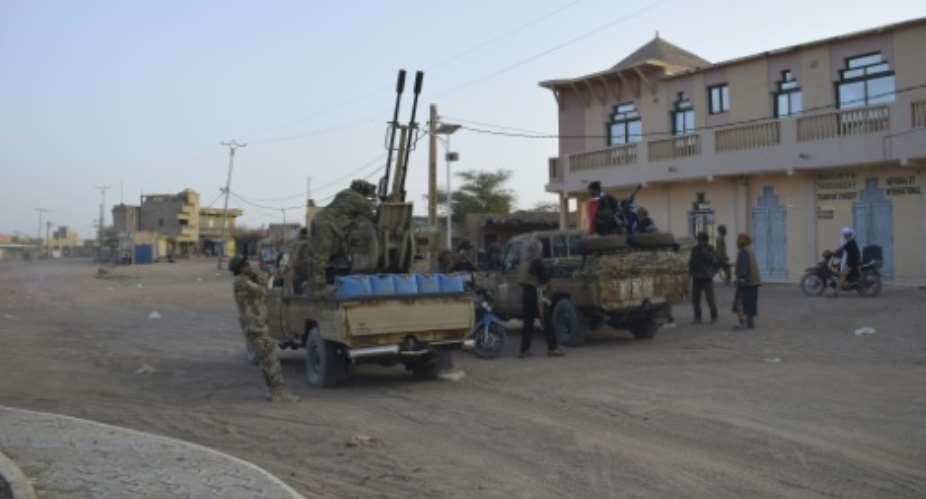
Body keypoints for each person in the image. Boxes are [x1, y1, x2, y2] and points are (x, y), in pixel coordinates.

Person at [230, 255, 299, 402]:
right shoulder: (241, 283)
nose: (250, 266)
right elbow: (264, 290)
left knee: (267, 361)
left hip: (258, 326)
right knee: (271, 360)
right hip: (255, 327)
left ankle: (275, 392)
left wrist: (277, 271)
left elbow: (267, 280)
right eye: (247, 264)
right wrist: (263, 274)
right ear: (241, 268)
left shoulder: (246, 280)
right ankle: (281, 393)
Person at [307, 180, 377, 293]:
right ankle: (319, 288)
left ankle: (312, 285)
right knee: (321, 258)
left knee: (315, 256)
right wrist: (374, 204)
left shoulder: (344, 193)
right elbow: (373, 217)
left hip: (319, 220)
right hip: (327, 225)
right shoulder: (360, 201)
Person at [517, 240, 565, 359]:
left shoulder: (525, 262)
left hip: (526, 294)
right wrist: (552, 270)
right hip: (536, 295)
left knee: (528, 324)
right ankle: (552, 348)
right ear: (538, 250)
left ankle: (524, 350)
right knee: (547, 321)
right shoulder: (537, 262)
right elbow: (544, 279)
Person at [689, 232, 719, 324]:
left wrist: (704, 250)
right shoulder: (694, 249)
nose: (699, 242)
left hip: (707, 278)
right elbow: (691, 262)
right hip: (697, 277)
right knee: (695, 300)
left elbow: (713, 261)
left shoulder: (710, 248)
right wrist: (691, 274)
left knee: (710, 299)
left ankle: (714, 317)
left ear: (705, 240)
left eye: (700, 240)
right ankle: (697, 317)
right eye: (698, 240)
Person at [733, 234, 762, 329]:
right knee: (750, 303)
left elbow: (744, 269)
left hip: (747, 282)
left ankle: (744, 323)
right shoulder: (750, 250)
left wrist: (740, 278)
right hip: (753, 281)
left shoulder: (743, 252)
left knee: (740, 302)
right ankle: (750, 322)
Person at [833, 227, 860, 297]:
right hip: (852, 260)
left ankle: (836, 293)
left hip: (852, 262)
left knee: (842, 275)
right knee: (843, 273)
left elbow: (841, 248)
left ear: (847, 235)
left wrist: (834, 252)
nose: (844, 236)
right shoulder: (851, 241)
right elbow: (843, 248)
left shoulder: (850, 242)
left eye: (845, 235)